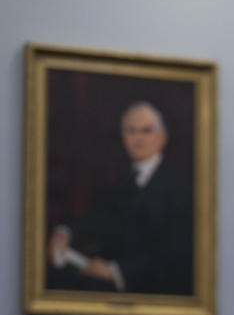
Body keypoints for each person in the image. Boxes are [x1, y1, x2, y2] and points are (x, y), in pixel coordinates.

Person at [47, 101, 193, 295]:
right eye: (131, 131)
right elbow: (97, 218)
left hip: (157, 294)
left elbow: (176, 254)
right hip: (111, 293)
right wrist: (64, 232)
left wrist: (117, 272)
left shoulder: (180, 185)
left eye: (146, 131)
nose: (138, 139)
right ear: (123, 137)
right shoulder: (120, 180)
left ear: (162, 137)